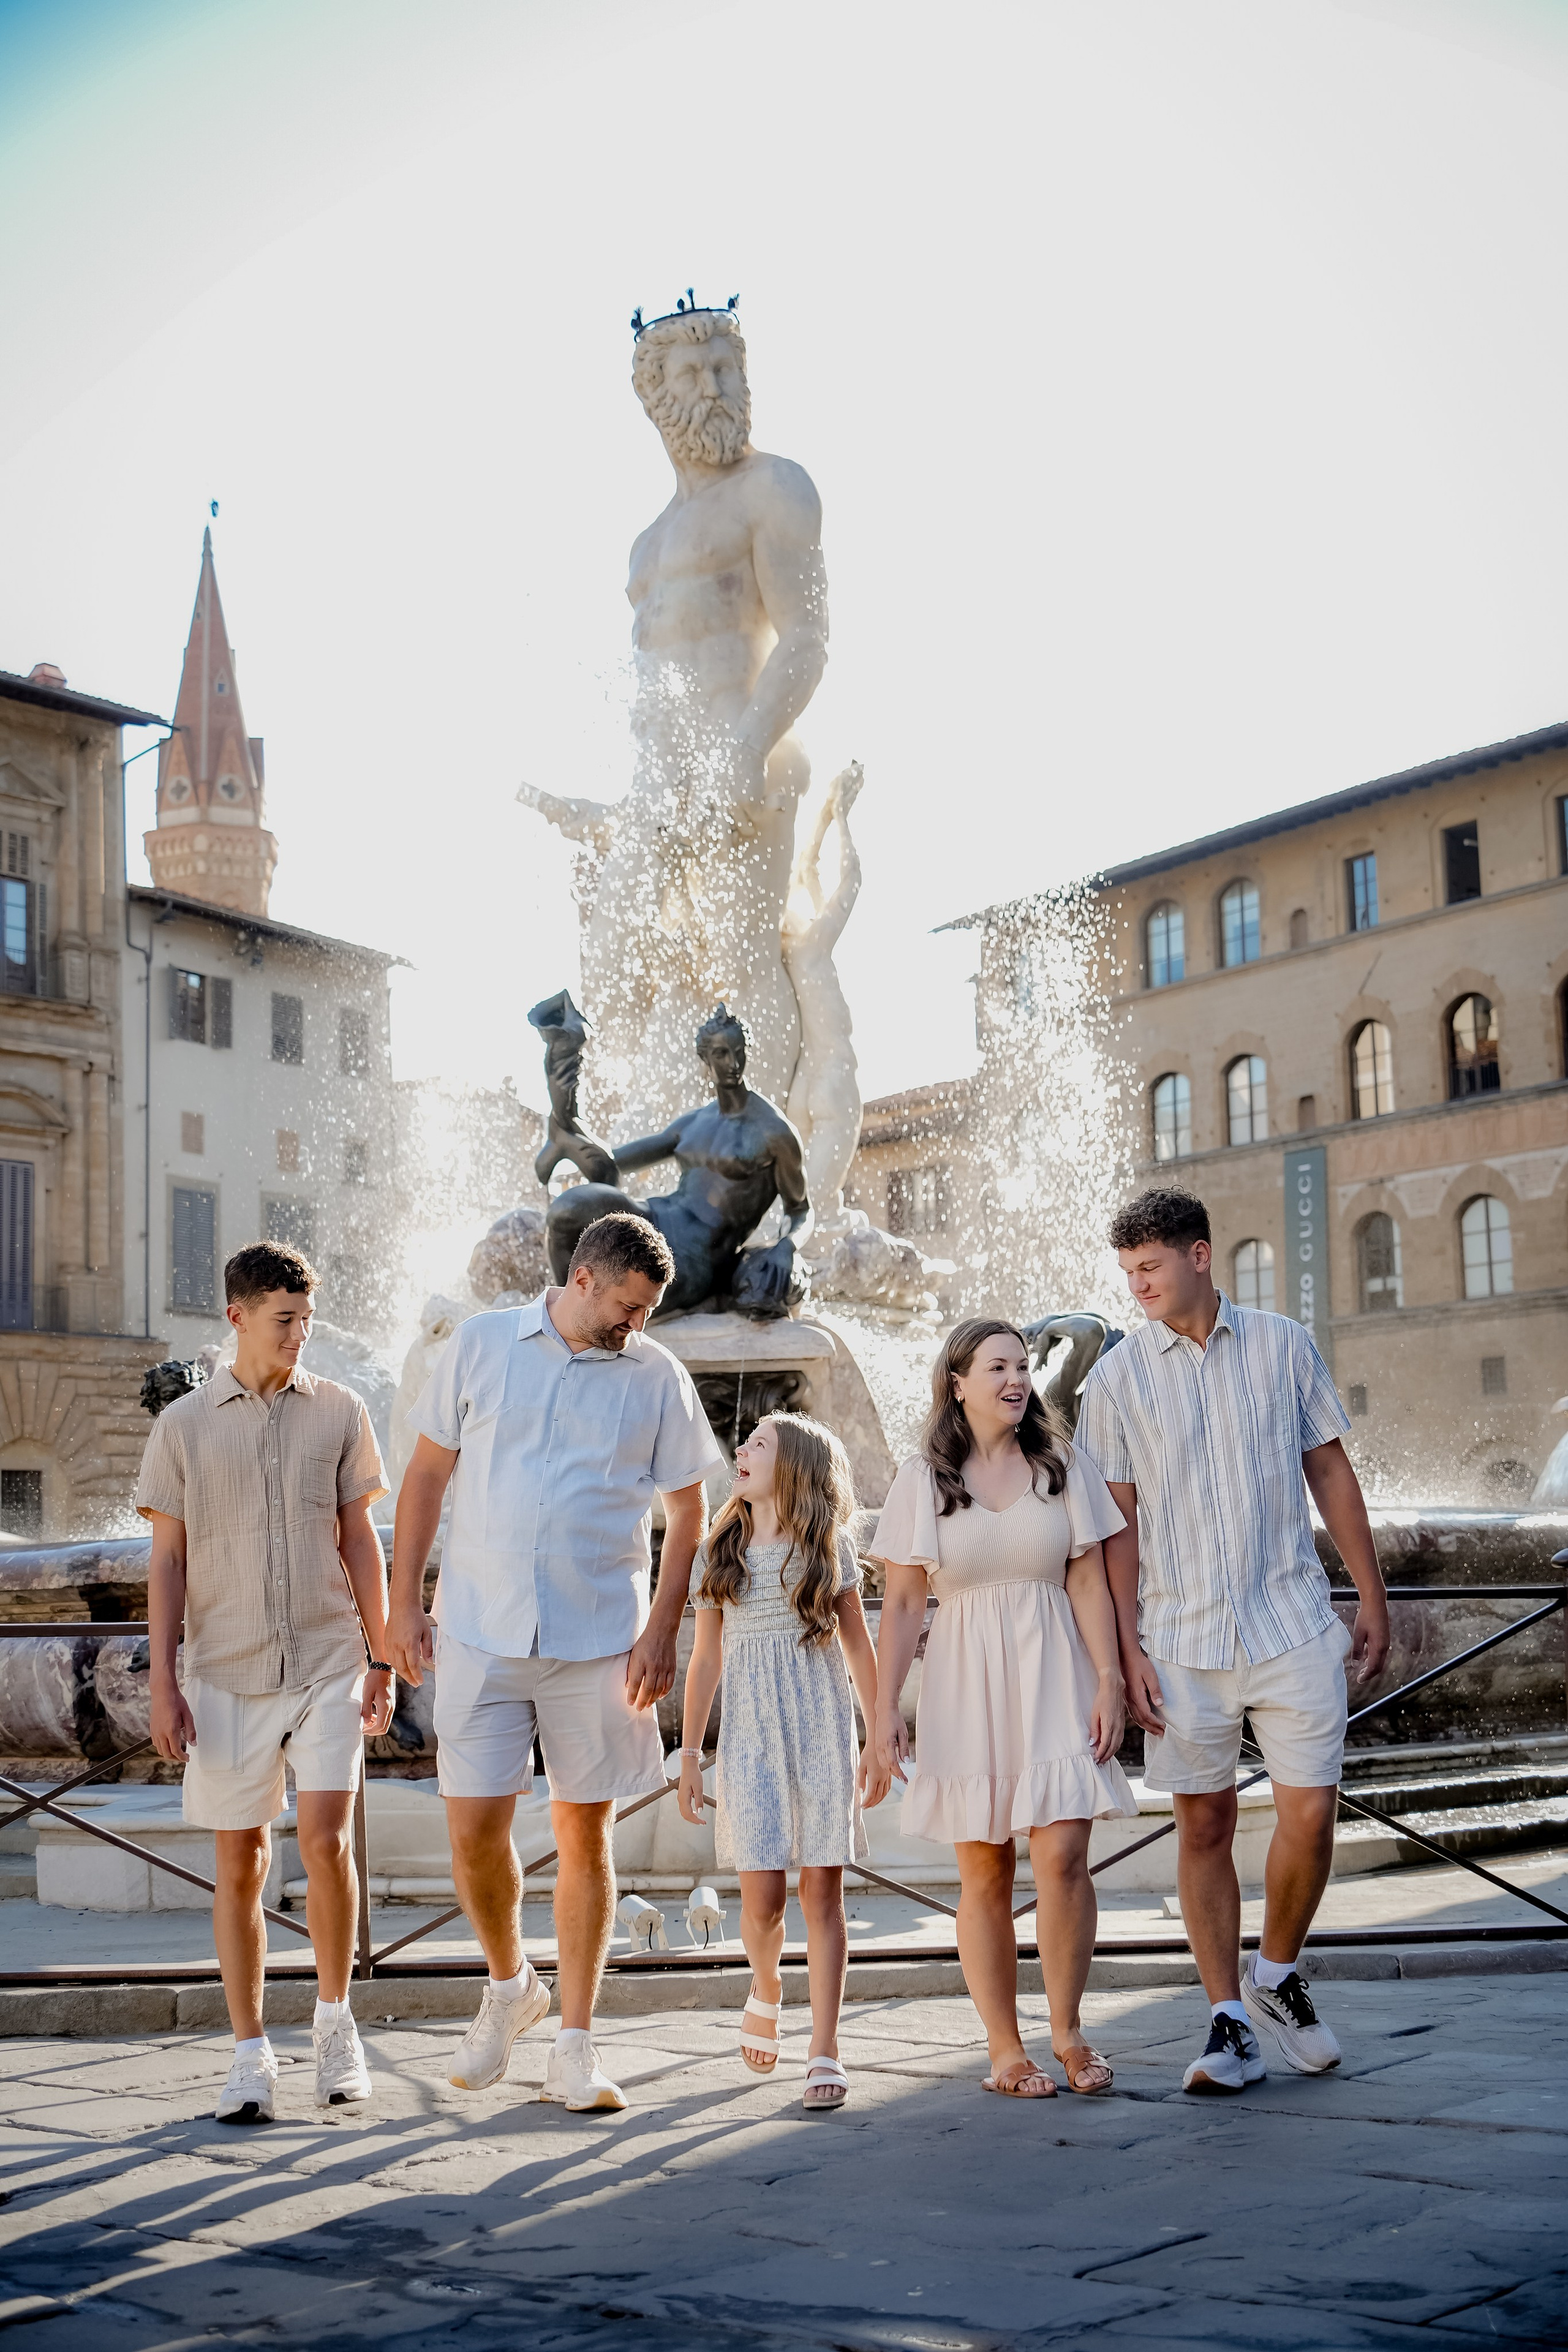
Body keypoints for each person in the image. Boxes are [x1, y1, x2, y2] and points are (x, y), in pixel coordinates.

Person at [388, 1212, 725, 2113]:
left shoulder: (656, 1377)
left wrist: (663, 1628)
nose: (637, 1325)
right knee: (474, 1833)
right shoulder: (481, 1345)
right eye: (628, 1305)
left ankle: (576, 2043)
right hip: (478, 1630)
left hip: (600, 1640)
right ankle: (510, 1986)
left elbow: (689, 1512)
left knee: (586, 1834)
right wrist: (402, 1604)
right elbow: (424, 1478)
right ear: (583, 1280)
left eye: (648, 1311)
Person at [1076, 1187, 1390, 2096]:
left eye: (1152, 1268)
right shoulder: (1118, 1380)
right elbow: (1118, 1524)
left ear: (1200, 1257)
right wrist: (1128, 1648)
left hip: (1292, 1618)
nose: (1137, 1287)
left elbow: (1328, 1467)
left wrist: (1367, 1592)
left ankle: (1279, 1972)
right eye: (1128, 1273)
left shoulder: (1286, 1345)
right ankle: (1226, 2019)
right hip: (1177, 1636)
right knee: (1203, 1823)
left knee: (1311, 1812)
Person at [140, 1243, 393, 2124]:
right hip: (226, 1669)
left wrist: (385, 1654)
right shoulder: (182, 1428)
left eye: (307, 1321)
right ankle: (249, 2052)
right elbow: (166, 1562)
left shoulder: (341, 1411)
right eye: (284, 1320)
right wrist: (164, 1681)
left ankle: (334, 2027)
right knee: (240, 1862)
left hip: (328, 1659)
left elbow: (362, 1541)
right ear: (237, 1317)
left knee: (326, 1841)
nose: (300, 1336)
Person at [872, 1320, 1136, 2100]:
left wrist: (1110, 1680)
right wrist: (885, 1708)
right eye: (998, 1367)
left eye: (1023, 1365)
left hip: (1056, 1669)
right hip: (964, 1680)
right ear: (957, 1382)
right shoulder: (924, 1480)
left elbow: (1087, 1580)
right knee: (983, 1870)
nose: (1017, 1379)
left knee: (1062, 1856)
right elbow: (901, 1607)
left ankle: (1069, 2031)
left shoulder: (1060, 1464)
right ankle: (1003, 2050)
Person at [676, 1412, 886, 2112]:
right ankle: (765, 1986)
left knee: (821, 1897)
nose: (741, 1450)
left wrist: (880, 1732)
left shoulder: (827, 1549)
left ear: (792, 1466)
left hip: (821, 1729)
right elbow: (705, 1660)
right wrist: (689, 1754)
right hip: (750, 1740)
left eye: (758, 1444)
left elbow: (859, 1650)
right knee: (763, 1905)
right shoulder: (721, 1550)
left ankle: (824, 2048)